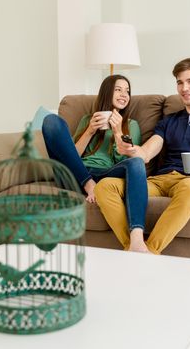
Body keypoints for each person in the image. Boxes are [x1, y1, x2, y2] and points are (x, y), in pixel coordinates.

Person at [94, 58, 190, 254]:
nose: (184, 88)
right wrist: (130, 149)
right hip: (159, 180)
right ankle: (134, 247)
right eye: (180, 82)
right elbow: (146, 153)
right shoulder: (169, 121)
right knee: (105, 186)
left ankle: (150, 250)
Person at [42, 74, 149, 252]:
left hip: (107, 175)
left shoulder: (131, 125)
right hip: (77, 175)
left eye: (127, 91)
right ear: (107, 92)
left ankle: (137, 241)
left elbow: (126, 160)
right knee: (51, 121)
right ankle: (89, 184)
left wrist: (117, 131)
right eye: (118, 89)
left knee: (136, 163)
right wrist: (90, 131)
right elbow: (71, 156)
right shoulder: (87, 120)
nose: (124, 94)